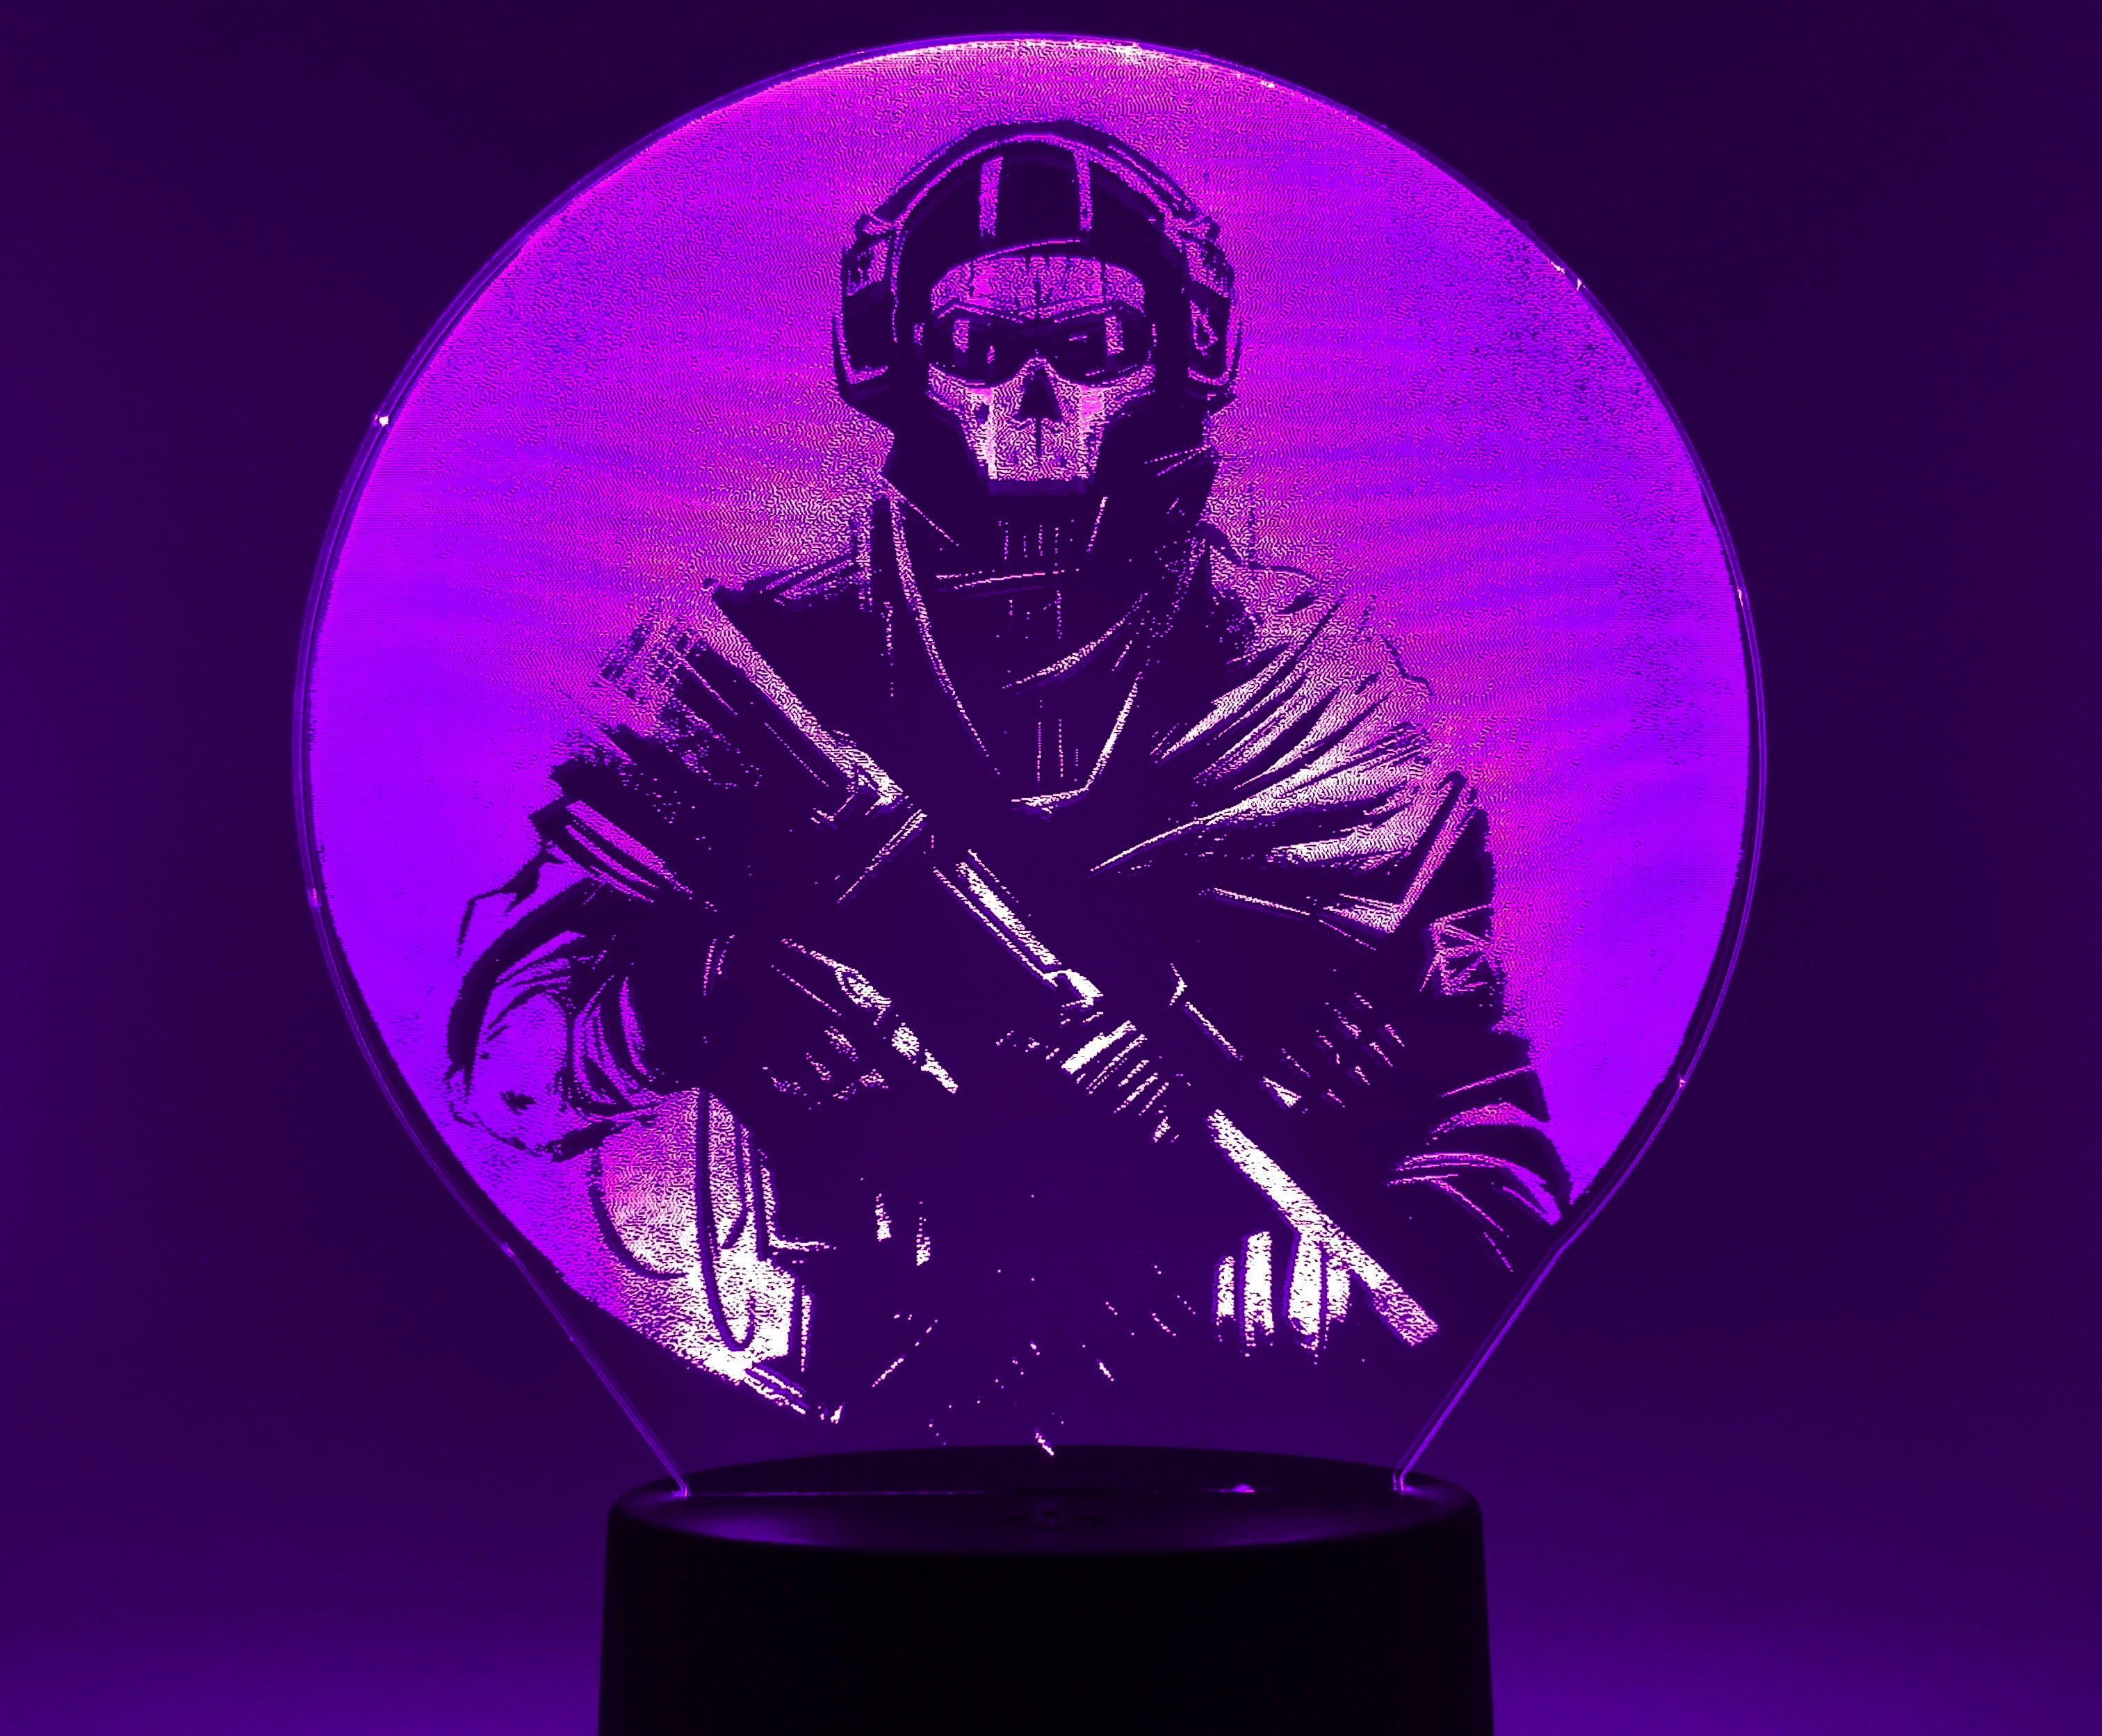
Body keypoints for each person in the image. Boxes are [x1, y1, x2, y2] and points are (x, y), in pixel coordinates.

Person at [447, 122, 1567, 1440]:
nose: (1034, 402)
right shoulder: (755, 678)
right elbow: (504, 1062)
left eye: (1094, 346)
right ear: (902, 359)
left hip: (1222, 1400)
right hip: (843, 1401)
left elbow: (1495, 1132)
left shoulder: (1327, 702)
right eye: (979, 347)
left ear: (1176, 357)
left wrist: (1358, 1270)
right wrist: (703, 994)